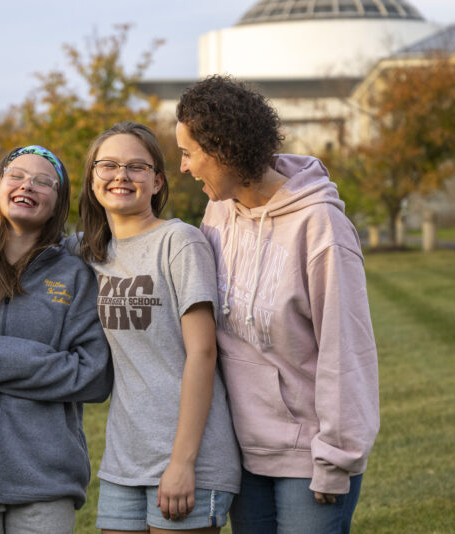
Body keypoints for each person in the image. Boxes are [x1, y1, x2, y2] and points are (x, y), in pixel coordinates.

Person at [175, 75, 380, 534]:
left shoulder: (321, 226)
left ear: (225, 149)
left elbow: (346, 352)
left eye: (189, 153)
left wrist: (336, 457)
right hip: (242, 453)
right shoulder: (218, 212)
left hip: (312, 456)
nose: (183, 167)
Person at [0, 145, 113, 534]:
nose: (27, 185)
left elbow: (94, 375)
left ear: (57, 203)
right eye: (16, 175)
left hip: (44, 487)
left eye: (43, 181)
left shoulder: (75, 277)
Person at [77, 121, 240, 534]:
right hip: (123, 460)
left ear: (157, 181)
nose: (121, 176)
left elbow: (203, 353)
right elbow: (21, 246)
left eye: (136, 167)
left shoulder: (179, 242)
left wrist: (182, 463)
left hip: (190, 457)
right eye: (108, 165)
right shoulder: (93, 252)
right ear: (93, 177)